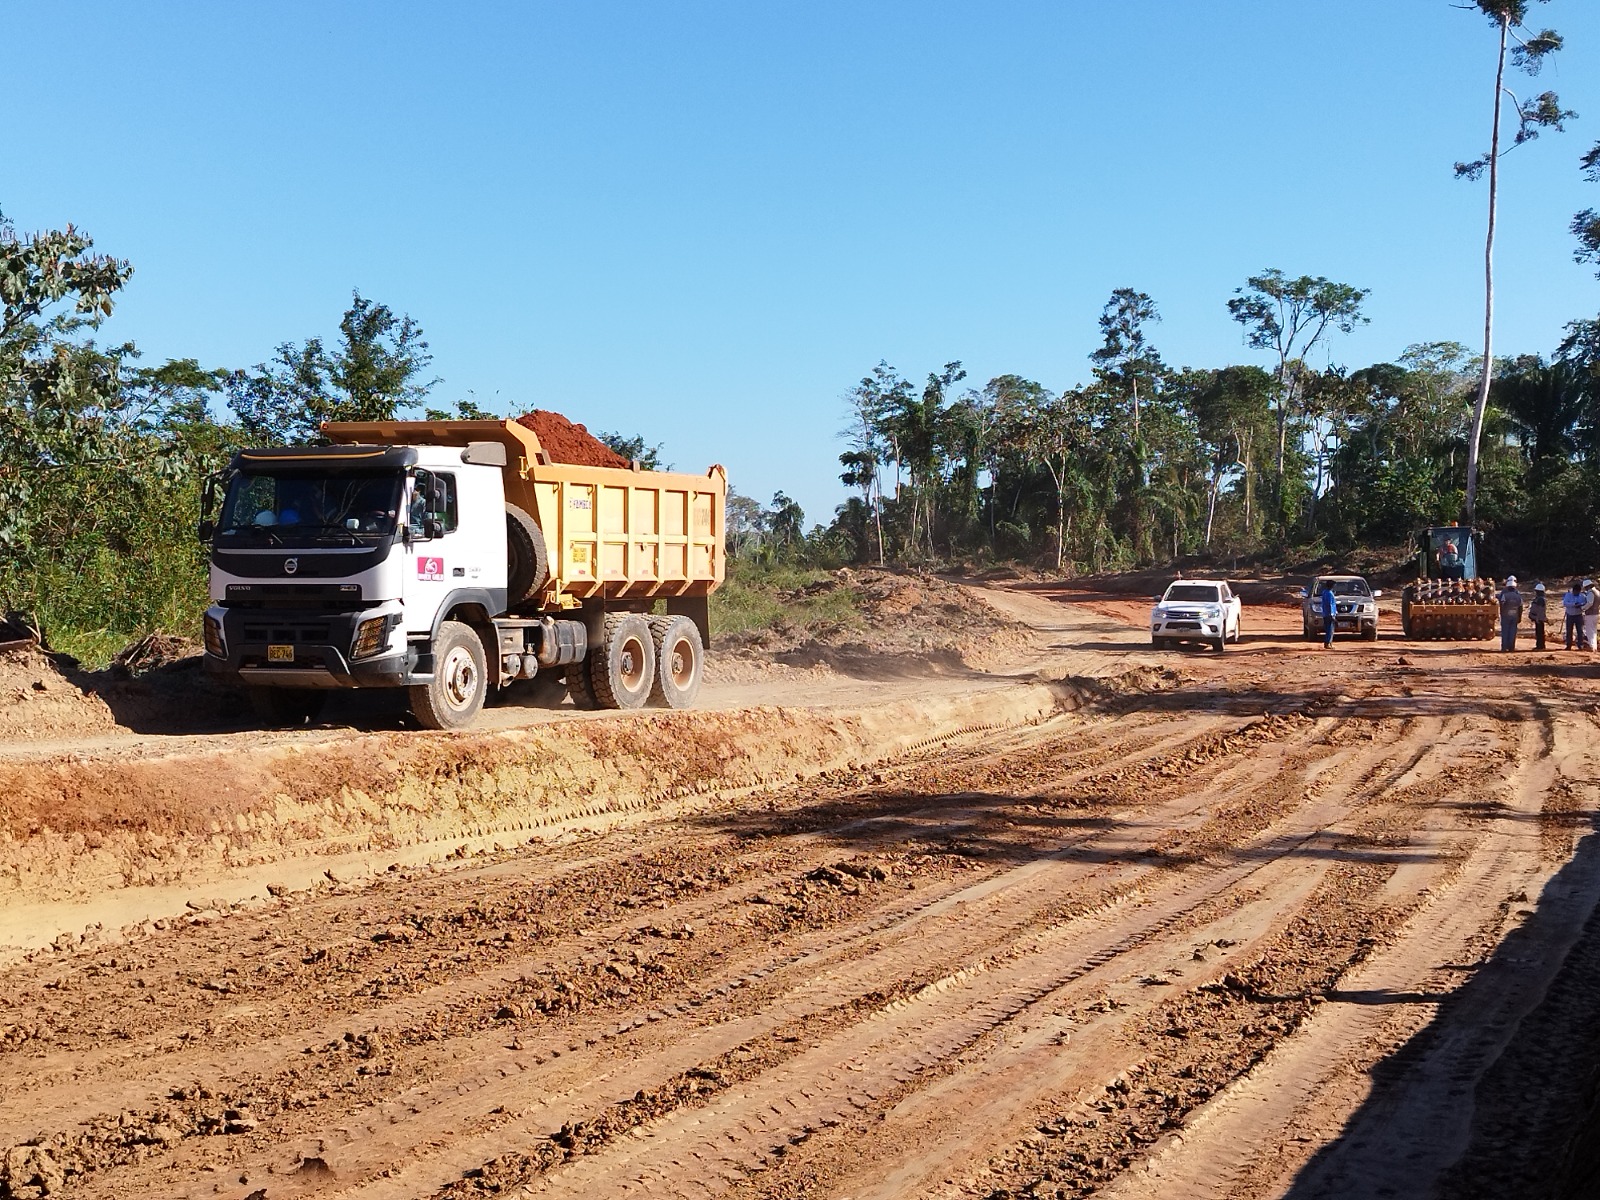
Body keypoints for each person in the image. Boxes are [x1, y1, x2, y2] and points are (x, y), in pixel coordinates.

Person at [1498, 576, 1523, 651]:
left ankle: (1504, 647)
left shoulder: (1504, 595)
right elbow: (1520, 607)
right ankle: (1511, 647)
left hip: (1506, 616)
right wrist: (1519, 617)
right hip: (1515, 616)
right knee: (1513, 632)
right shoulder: (1518, 596)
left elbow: (1501, 604)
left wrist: (1501, 614)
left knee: (1505, 631)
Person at [1564, 580, 1585, 650]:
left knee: (1580, 630)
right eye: (1576, 592)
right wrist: (1573, 604)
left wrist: (1580, 605)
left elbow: (1584, 603)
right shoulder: (1568, 595)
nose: (1577, 593)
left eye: (1578, 592)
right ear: (1573, 590)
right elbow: (1565, 603)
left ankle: (1580, 645)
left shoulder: (1582, 596)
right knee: (1569, 630)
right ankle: (1568, 645)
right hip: (1570, 615)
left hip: (1578, 615)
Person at [1528, 582, 1548, 651]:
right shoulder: (1540, 599)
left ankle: (1540, 646)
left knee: (1539, 633)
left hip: (1539, 619)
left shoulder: (1540, 599)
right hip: (1539, 618)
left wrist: (1537, 618)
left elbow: (1540, 610)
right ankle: (1540, 645)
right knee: (1539, 632)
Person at [1319, 579, 1337, 649]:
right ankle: (1328, 643)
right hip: (1329, 614)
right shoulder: (1329, 593)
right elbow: (1330, 604)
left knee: (1328, 629)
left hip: (1325, 613)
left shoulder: (1324, 592)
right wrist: (1332, 614)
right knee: (1330, 629)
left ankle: (1328, 643)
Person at [1585, 579, 1600, 652]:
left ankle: (1591, 646)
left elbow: (1589, 603)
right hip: (1596, 613)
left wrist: (1582, 608)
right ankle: (1594, 647)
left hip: (1590, 614)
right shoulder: (1597, 592)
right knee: (1594, 631)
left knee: (1589, 631)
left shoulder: (1591, 593)